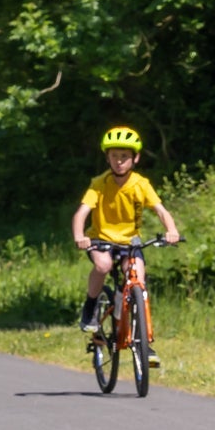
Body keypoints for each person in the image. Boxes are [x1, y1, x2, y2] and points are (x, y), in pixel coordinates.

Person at [72, 126, 181, 334]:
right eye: (114, 156)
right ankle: (90, 306)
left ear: (135, 158)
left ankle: (142, 339)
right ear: (107, 158)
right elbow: (81, 214)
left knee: (138, 281)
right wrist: (79, 235)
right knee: (103, 265)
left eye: (124, 156)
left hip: (129, 242)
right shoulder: (99, 184)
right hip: (100, 239)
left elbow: (161, 210)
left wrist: (172, 230)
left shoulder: (141, 184)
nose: (119, 161)